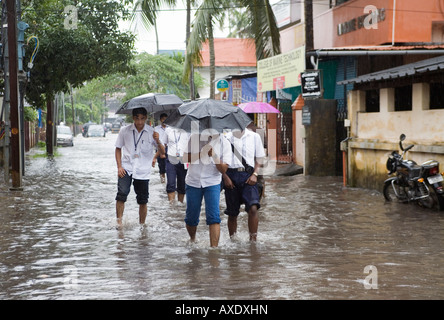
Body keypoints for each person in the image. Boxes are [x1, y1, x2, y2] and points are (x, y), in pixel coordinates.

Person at [115, 108, 165, 227]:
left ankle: (142, 226)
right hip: (126, 167)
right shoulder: (125, 131)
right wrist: (119, 167)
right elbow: (118, 148)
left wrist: (157, 140)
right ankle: (119, 223)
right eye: (137, 118)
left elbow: (162, 152)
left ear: (146, 118)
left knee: (143, 200)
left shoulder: (152, 132)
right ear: (133, 118)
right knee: (121, 194)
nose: (140, 122)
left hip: (143, 170)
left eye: (142, 118)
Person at [183, 132, 231, 247]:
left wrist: (214, 155)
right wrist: (201, 153)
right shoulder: (194, 137)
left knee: (214, 217)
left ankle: (214, 251)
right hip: (193, 181)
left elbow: (224, 169)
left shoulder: (224, 143)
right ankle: (192, 239)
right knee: (191, 218)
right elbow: (185, 157)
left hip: (212, 182)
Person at [222, 127, 266, 241]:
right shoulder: (225, 138)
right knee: (232, 213)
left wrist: (255, 174)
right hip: (230, 175)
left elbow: (260, 158)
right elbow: (219, 161)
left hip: (248, 175)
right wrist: (225, 177)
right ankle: (233, 240)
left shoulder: (254, 136)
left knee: (253, 208)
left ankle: (253, 241)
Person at [164, 127, 190, 203]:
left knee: (182, 185)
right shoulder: (168, 130)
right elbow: (164, 143)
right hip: (171, 159)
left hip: (183, 160)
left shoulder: (188, 130)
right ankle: (172, 206)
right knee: (171, 183)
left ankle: (180, 205)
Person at [153, 113, 168, 183]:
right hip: (159, 149)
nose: (164, 121)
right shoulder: (156, 129)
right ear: (160, 120)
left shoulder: (170, 129)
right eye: (163, 119)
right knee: (161, 167)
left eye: (166, 119)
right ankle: (163, 180)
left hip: (168, 149)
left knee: (169, 167)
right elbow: (154, 141)